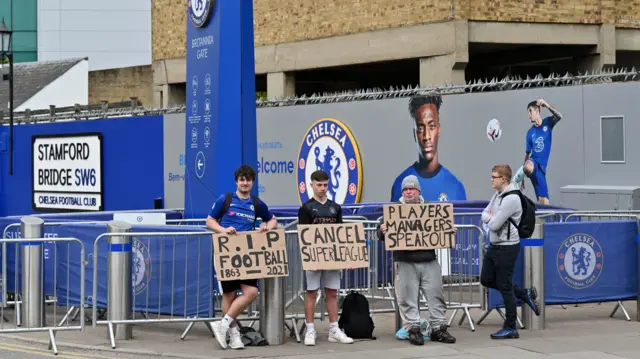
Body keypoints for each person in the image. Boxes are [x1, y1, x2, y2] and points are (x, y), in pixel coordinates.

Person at [377, 175, 457, 346]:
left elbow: (441, 228)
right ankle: (413, 329)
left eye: (411, 189)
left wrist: (448, 229)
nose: (408, 192)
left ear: (418, 190)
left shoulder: (429, 208)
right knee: (407, 297)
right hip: (405, 261)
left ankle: (439, 328)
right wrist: (382, 231)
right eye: (405, 189)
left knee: (436, 294)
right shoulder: (395, 210)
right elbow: (380, 232)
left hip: (429, 260)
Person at [206, 164, 278, 350]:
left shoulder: (256, 203)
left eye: (248, 180)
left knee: (251, 292)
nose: (245, 183)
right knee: (229, 294)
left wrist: (266, 228)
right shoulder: (226, 199)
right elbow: (209, 221)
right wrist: (223, 230)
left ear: (252, 182)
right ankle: (234, 334)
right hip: (227, 253)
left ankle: (223, 324)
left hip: (247, 254)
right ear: (236, 181)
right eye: (242, 179)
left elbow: (273, 220)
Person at [481, 164, 540, 340]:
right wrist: (490, 216)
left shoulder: (511, 199)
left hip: (507, 246)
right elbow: (484, 213)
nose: (491, 179)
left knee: (505, 286)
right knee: (486, 279)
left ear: (503, 179)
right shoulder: (498, 194)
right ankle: (523, 293)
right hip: (495, 244)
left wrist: (490, 217)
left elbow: (493, 224)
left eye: (494, 176)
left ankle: (510, 326)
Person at [298, 170, 354, 346]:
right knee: (311, 292)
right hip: (313, 258)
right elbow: (303, 236)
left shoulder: (335, 208)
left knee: (332, 292)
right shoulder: (306, 208)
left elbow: (340, 235)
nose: (322, 188)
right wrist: (310, 259)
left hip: (332, 258)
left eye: (325, 185)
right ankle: (310, 329)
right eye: (319, 185)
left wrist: (347, 258)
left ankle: (333, 329)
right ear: (312, 185)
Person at [390, 94, 467, 202]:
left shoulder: (455, 186)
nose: (426, 136)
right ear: (415, 134)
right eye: (420, 129)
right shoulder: (400, 184)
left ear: (438, 130)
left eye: (431, 127)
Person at [511, 98, 563, 205]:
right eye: (528, 112)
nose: (529, 115)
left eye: (530, 111)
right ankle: (514, 182)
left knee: (544, 202)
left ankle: (541, 219)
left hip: (541, 169)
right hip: (533, 162)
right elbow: (527, 154)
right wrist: (523, 175)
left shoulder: (547, 123)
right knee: (529, 165)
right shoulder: (530, 132)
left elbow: (559, 116)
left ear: (537, 110)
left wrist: (547, 105)